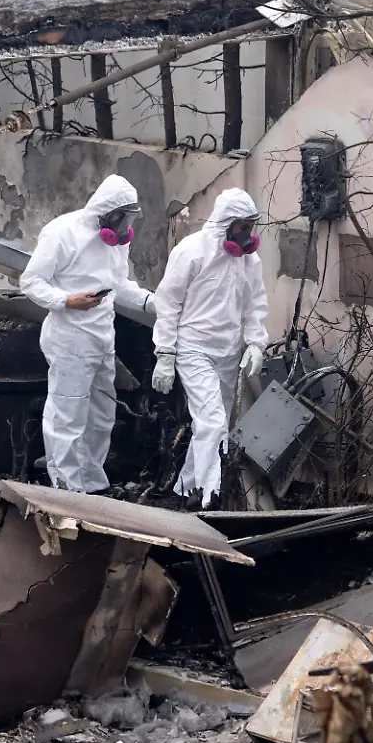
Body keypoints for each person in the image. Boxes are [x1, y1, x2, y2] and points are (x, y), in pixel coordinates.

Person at [20, 174, 157, 493]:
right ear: (107, 211)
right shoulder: (61, 232)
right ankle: (66, 483)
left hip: (102, 339)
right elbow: (30, 282)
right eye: (121, 216)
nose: (125, 225)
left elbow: (119, 285)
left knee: (100, 413)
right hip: (69, 338)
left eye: (129, 217)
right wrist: (66, 300)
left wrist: (151, 302)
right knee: (67, 412)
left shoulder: (116, 243)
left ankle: (92, 480)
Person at [150, 188, 269, 509]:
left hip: (228, 352)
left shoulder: (249, 261)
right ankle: (208, 497)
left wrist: (257, 342)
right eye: (242, 227)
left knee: (215, 425)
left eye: (250, 227)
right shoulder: (191, 252)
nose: (247, 235)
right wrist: (165, 352)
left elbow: (255, 304)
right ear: (225, 224)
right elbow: (168, 303)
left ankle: (185, 489)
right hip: (193, 348)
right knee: (212, 421)